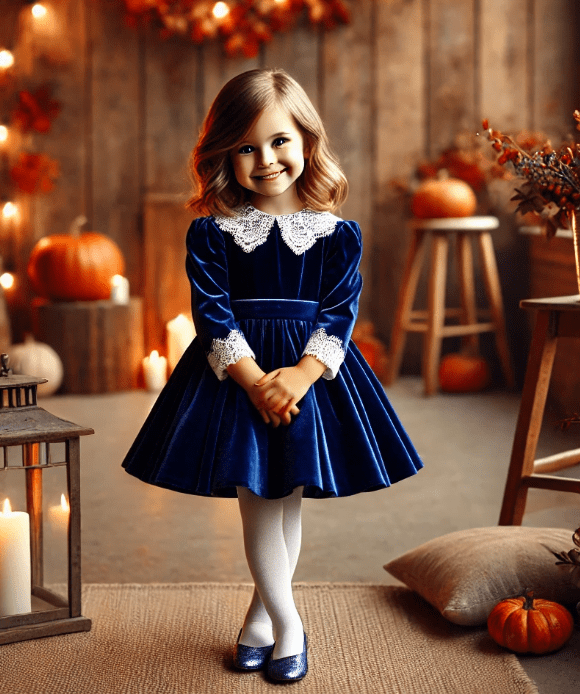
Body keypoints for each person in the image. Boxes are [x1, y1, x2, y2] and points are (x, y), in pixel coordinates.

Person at [122, 68, 423, 682]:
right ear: (224, 156)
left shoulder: (339, 235)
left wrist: (304, 374)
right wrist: (257, 380)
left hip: (308, 373)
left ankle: (261, 620)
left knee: (286, 498)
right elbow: (211, 314)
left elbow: (340, 311)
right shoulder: (213, 235)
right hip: (237, 377)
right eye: (245, 148)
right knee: (257, 496)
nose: (265, 160)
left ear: (307, 140)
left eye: (279, 140)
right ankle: (291, 627)